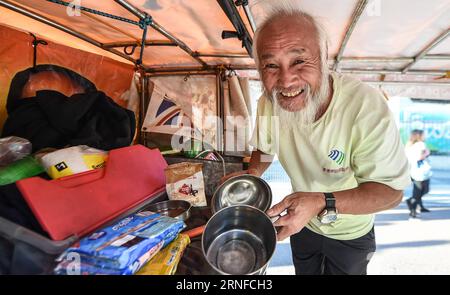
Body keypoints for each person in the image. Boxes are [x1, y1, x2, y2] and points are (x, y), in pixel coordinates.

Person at [222, 3, 410, 275]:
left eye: (299, 61)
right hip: (304, 224)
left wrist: (322, 201)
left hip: (351, 231)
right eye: (271, 65)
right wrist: (251, 174)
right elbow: (265, 147)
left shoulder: (365, 107)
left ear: (324, 57)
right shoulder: (269, 102)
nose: (286, 81)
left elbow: (391, 193)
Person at [405, 129, 432, 218]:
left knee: (418, 190)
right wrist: (427, 153)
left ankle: (418, 206)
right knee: (423, 190)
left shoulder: (409, 145)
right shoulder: (421, 145)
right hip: (421, 172)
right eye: (423, 135)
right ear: (419, 136)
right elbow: (419, 157)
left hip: (412, 171)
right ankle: (412, 206)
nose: (425, 136)